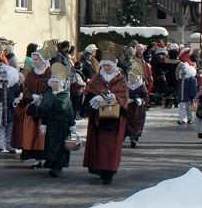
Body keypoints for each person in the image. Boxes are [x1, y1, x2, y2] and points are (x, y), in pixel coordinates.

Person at [83, 56, 129, 185]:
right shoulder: (97, 78)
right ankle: (99, 168)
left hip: (113, 118)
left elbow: (124, 97)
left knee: (110, 145)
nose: (106, 68)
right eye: (104, 66)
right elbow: (88, 91)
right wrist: (94, 98)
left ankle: (109, 170)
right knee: (98, 143)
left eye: (109, 66)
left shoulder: (121, 79)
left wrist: (113, 97)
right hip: (98, 117)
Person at [38, 63, 76, 178]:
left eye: (56, 82)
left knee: (60, 146)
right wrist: (43, 124)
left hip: (62, 125)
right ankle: (52, 163)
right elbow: (43, 110)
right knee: (51, 145)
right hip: (51, 125)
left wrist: (72, 125)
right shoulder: (48, 95)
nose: (54, 84)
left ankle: (58, 167)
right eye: (53, 82)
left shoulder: (65, 96)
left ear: (60, 84)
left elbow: (70, 112)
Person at [14, 51, 50, 166]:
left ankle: (47, 158)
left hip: (46, 106)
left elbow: (54, 87)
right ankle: (37, 158)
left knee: (44, 132)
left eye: (36, 59)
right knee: (32, 132)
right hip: (33, 106)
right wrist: (31, 96)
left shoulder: (49, 72)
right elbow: (26, 88)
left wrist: (44, 97)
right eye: (33, 59)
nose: (34, 61)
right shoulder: (31, 73)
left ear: (42, 60)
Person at [0, 64, 20, 154]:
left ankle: (10, 146)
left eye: (4, 72)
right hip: (0, 108)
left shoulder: (15, 85)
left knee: (10, 127)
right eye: (1, 73)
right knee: (0, 127)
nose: (3, 74)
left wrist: (16, 101)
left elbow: (17, 95)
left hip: (11, 108)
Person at [124, 65, 149, 148]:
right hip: (129, 108)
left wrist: (142, 100)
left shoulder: (141, 86)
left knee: (137, 123)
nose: (131, 78)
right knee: (128, 122)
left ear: (137, 77)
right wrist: (127, 100)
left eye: (132, 76)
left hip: (138, 110)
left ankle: (135, 138)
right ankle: (130, 137)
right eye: (130, 76)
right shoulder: (127, 86)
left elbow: (146, 96)